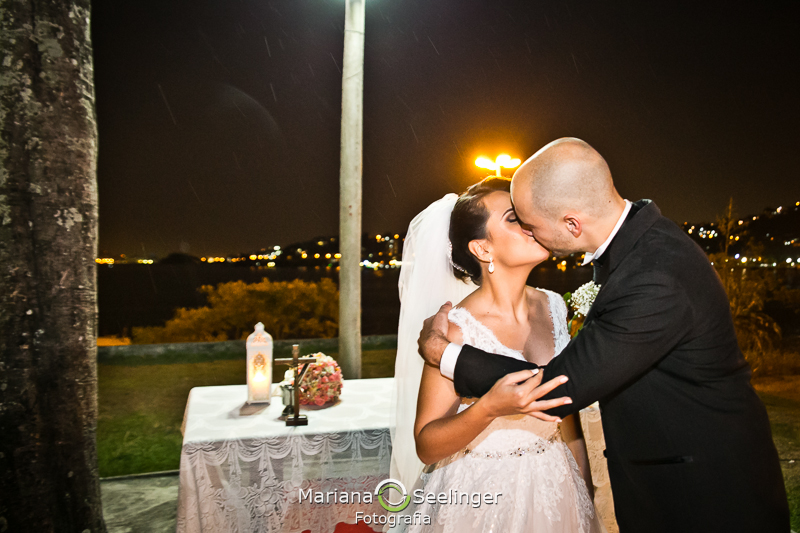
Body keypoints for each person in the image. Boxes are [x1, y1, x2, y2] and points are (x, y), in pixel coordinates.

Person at [417, 138, 790, 532]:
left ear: (572, 223)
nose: (531, 231)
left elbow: (562, 386)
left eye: (529, 221)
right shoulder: (636, 248)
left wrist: (446, 354)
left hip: (706, 496)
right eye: (518, 221)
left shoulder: (651, 275)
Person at [390, 177, 603, 533]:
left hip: (555, 481)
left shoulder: (553, 305)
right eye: (513, 218)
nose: (530, 223)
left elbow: (566, 410)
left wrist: (584, 490)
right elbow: (427, 444)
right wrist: (488, 407)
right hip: (482, 492)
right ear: (483, 250)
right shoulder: (457, 328)